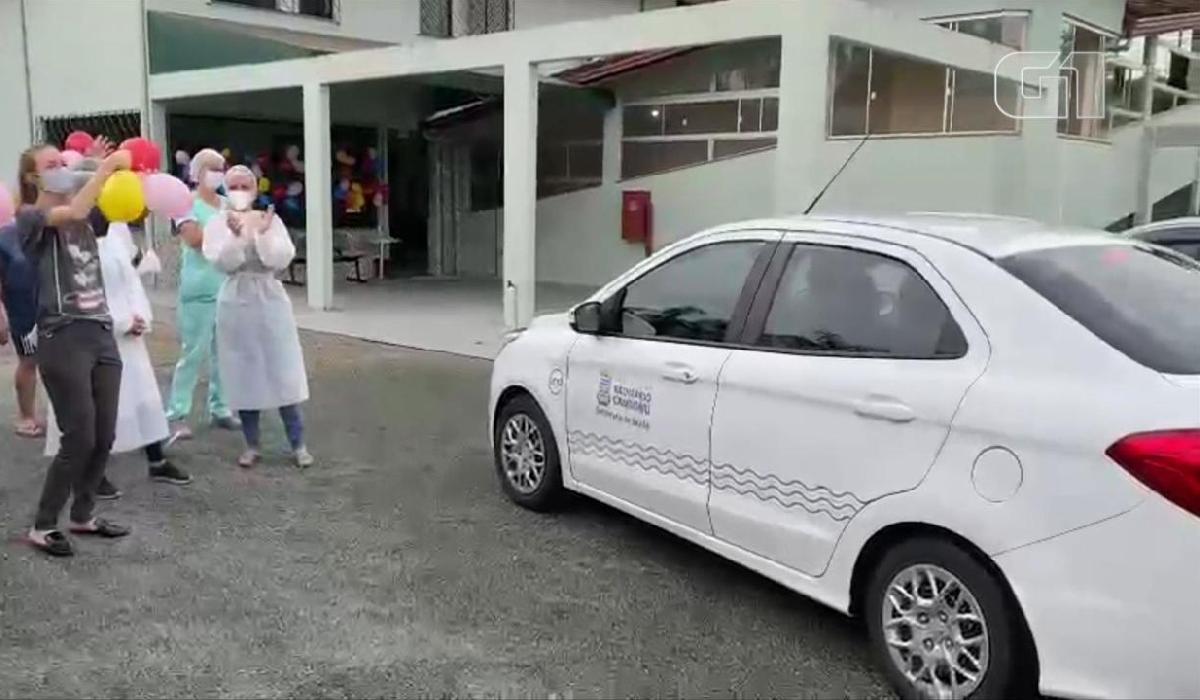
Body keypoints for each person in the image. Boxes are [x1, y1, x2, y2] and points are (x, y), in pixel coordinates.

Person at [16, 139, 133, 556]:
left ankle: (83, 515)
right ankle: (43, 524)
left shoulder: (87, 212)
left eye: (63, 161)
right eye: (52, 164)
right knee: (78, 434)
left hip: (99, 329)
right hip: (62, 334)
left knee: (104, 434)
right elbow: (73, 211)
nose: (62, 167)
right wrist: (101, 171)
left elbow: (120, 207)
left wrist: (106, 168)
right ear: (34, 177)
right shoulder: (30, 217)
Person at [44, 217, 192, 489]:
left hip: (128, 337)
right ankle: (90, 471)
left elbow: (130, 281)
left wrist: (139, 317)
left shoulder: (115, 236)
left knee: (143, 401)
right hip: (93, 335)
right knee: (96, 407)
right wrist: (120, 322)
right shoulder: (66, 244)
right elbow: (76, 296)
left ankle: (156, 460)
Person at [202, 165, 313, 469]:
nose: (239, 190)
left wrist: (262, 236)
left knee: (283, 369)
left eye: (244, 185)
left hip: (270, 298)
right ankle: (252, 445)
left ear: (255, 189)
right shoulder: (217, 223)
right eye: (233, 185)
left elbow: (281, 257)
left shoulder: (269, 219)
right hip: (236, 300)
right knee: (243, 372)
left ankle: (298, 443)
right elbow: (221, 263)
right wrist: (237, 239)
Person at [165, 148, 239, 441]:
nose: (217, 173)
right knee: (193, 353)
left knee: (225, 354)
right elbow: (194, 239)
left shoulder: (228, 204)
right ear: (196, 173)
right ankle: (177, 413)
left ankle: (220, 408)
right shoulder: (186, 204)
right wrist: (225, 229)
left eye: (221, 167)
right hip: (199, 290)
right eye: (211, 168)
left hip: (227, 286)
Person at [0, 220, 44, 438]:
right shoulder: (6, 238)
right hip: (23, 309)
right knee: (28, 360)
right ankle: (26, 416)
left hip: (51, 304)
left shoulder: (48, 228)